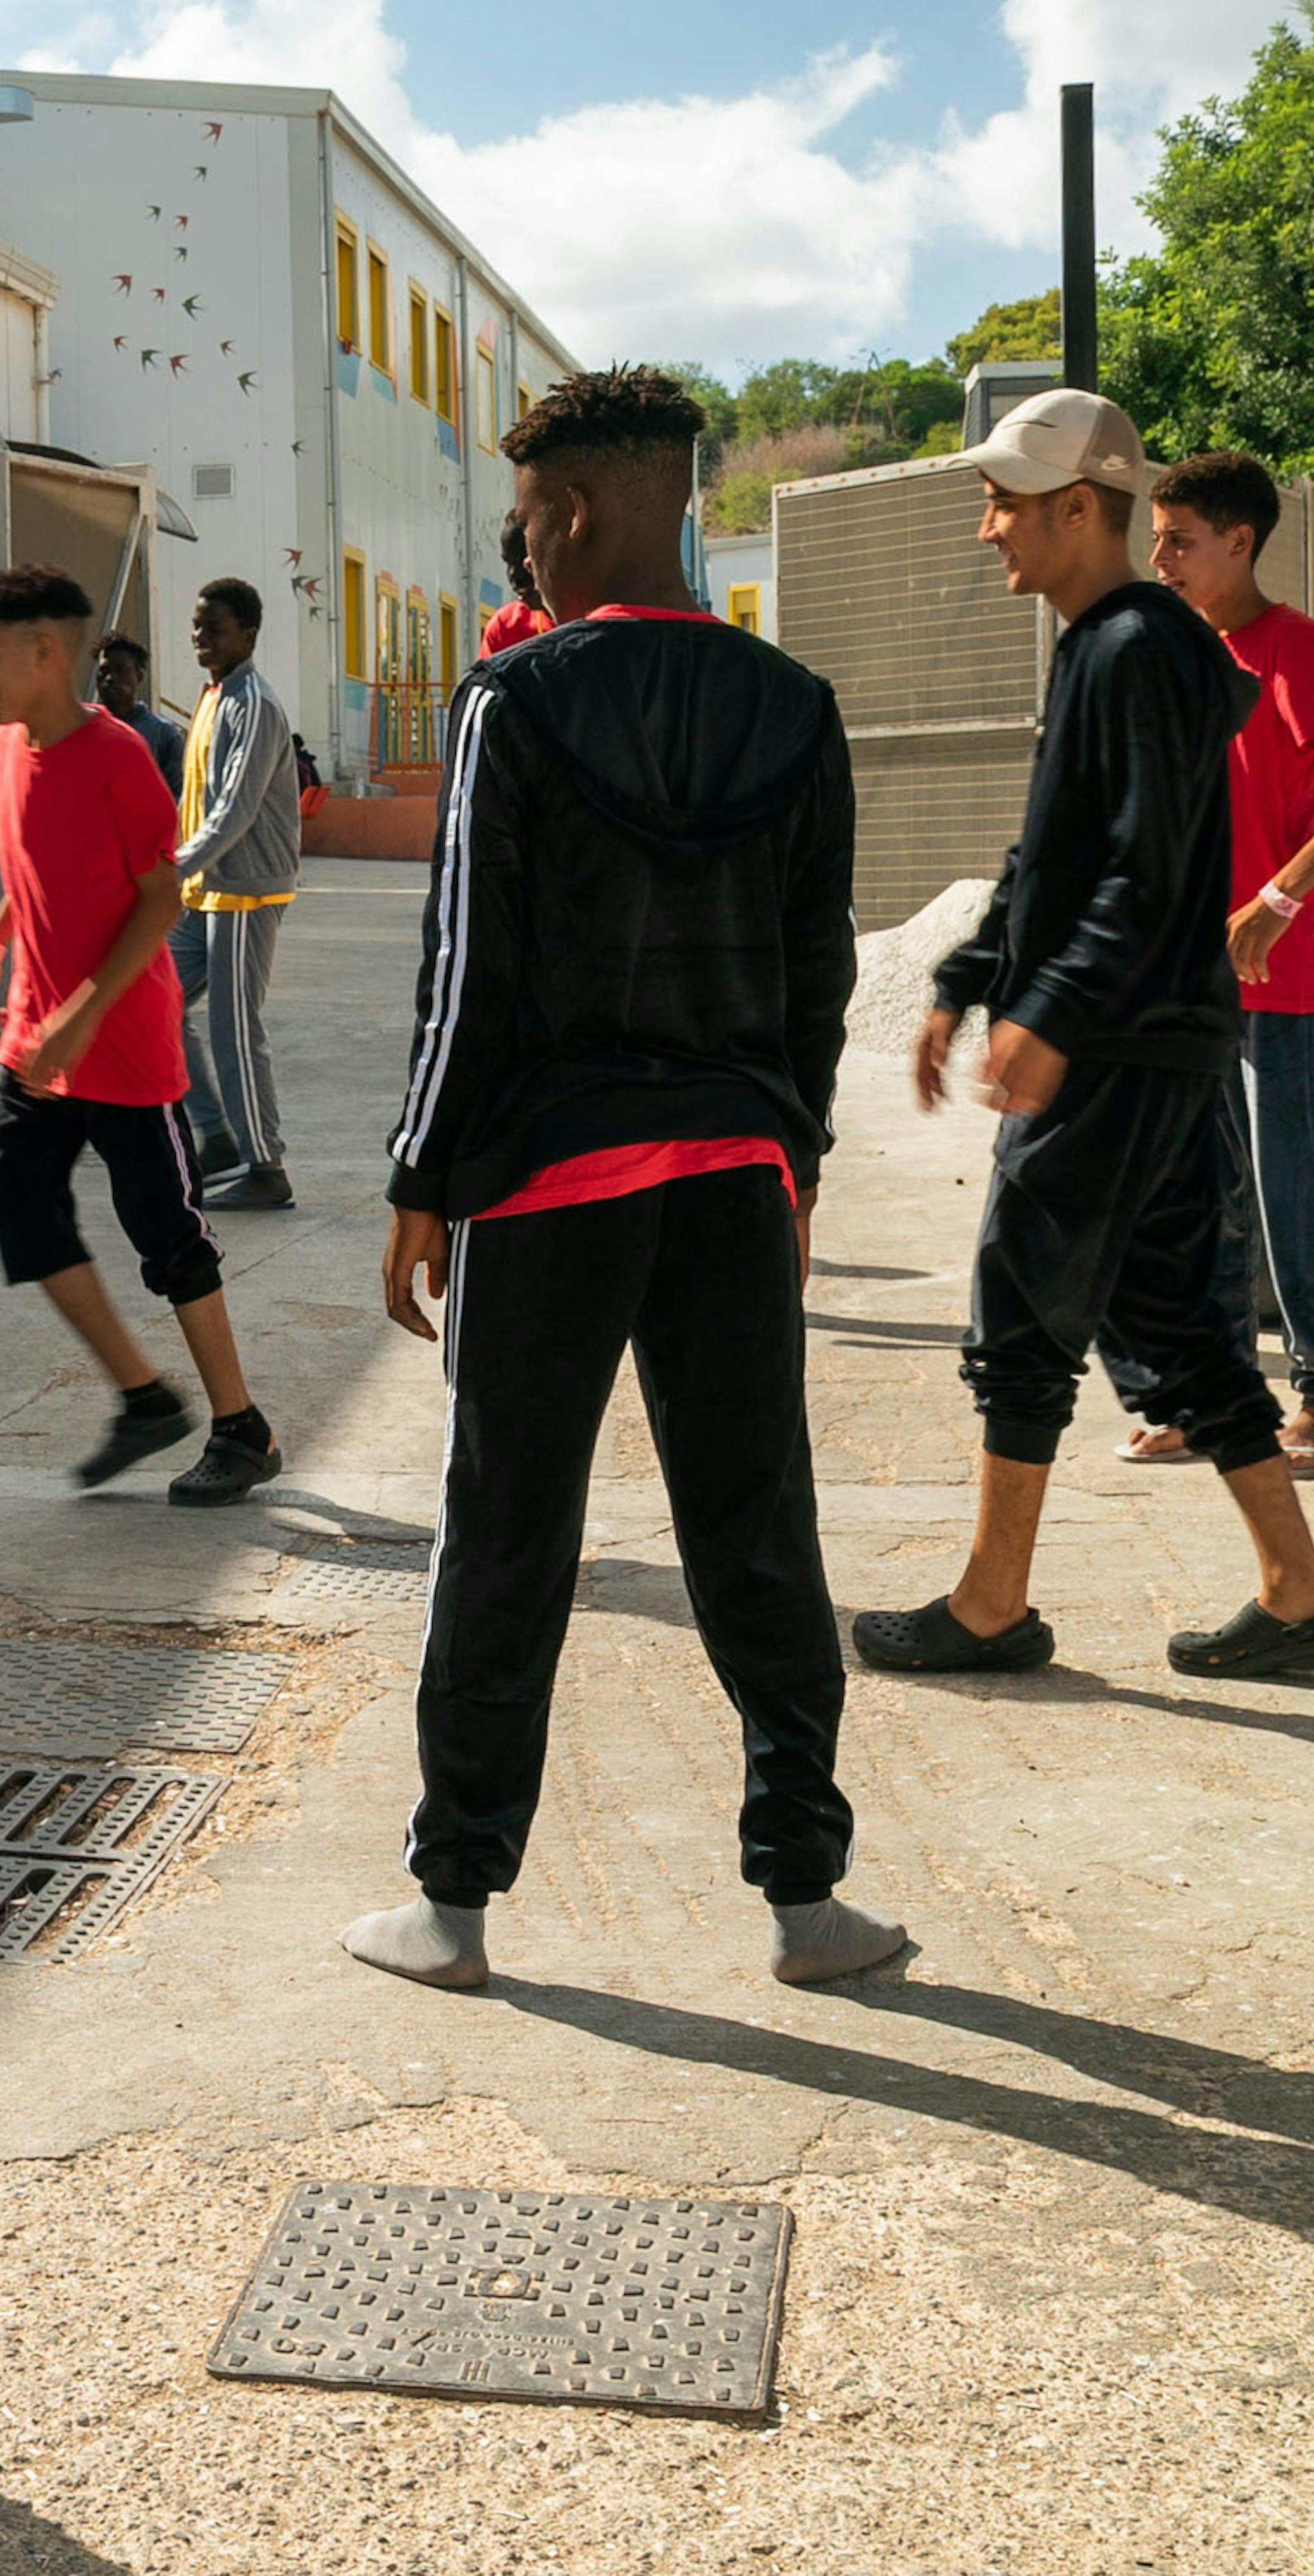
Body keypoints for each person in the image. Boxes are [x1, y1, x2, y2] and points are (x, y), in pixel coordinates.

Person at [343, 366, 905, 1993]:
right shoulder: (796, 706)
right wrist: (788, 1162)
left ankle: (450, 1903)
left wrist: (419, 1175)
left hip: (547, 1183)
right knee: (759, 1525)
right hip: (733, 1174)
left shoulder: (514, 705)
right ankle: (808, 1899)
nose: (518, 550)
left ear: (574, 509)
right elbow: (820, 979)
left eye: (523, 518)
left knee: (506, 1531)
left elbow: (471, 971)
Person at [852, 390, 1314, 1685]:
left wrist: (1050, 1014)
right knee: (1180, 1327)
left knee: (1022, 1312)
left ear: (1078, 507)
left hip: (1121, 1047)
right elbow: (1056, 854)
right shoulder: (1111, 643)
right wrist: (968, 978)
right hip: (1155, 1040)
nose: (987, 531)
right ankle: (1299, 1593)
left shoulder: (1132, 649)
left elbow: (1144, 874)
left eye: (1004, 503)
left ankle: (990, 1604)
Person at [1108, 451, 1314, 1475]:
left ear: (1239, 542)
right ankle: (1209, 1399)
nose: (1160, 560)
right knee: (1199, 1197)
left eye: (1179, 541)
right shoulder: (1173, 651)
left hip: (1276, 977)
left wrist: (1280, 899)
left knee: (1295, 1200)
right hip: (1183, 979)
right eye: (1155, 540)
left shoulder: (1297, 651)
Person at [0, 564, 279, 1508]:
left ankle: (241, 1427)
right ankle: (144, 1398)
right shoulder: (10, 742)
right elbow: (31, 865)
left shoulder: (120, 757)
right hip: (35, 1043)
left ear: (46, 653)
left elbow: (157, 898)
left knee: (169, 1238)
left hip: (123, 1048)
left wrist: (84, 1013)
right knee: (23, 1209)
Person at [169, 577, 302, 1209]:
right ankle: (216, 1135)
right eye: (196, 627)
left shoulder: (255, 705)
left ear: (246, 635)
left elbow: (233, 811)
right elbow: (194, 801)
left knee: (232, 1029)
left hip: (245, 891)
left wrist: (169, 868)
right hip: (204, 890)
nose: (201, 638)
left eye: (213, 628)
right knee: (155, 1002)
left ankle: (265, 1167)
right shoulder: (214, 699)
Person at [94, 635, 209, 1043]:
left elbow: (181, 801)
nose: (109, 679)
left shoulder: (161, 735)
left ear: (139, 676)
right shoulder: (85, 729)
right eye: (103, 670)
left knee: (153, 985)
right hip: (97, 877)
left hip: (145, 874)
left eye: (119, 671)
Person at [477, 509, 550, 658]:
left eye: (524, 562)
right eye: (509, 564)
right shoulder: (505, 628)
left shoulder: (597, 618)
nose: (514, 576)